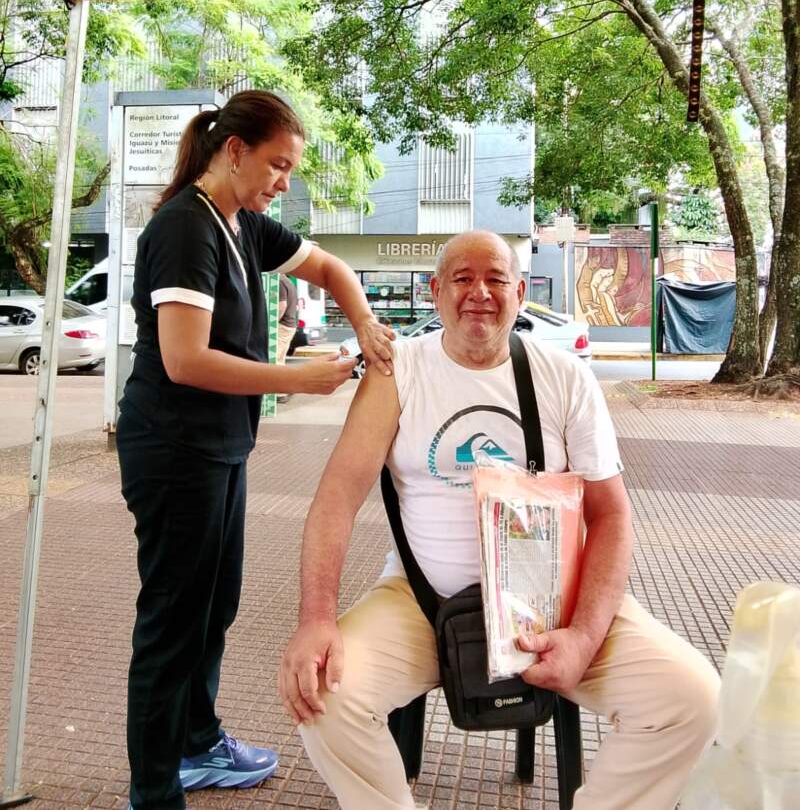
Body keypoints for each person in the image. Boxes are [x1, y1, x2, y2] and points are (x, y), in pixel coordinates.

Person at [280, 230, 720, 810]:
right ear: (435, 292)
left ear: (520, 292)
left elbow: (611, 515)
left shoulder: (565, 376)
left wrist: (584, 637)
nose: (479, 293)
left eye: (495, 279)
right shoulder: (399, 371)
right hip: (423, 602)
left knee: (694, 699)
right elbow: (336, 498)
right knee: (323, 693)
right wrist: (316, 618)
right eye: (462, 279)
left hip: (555, 605)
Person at [117, 90, 394, 810]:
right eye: (277, 164)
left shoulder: (243, 224)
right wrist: (297, 380)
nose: (284, 181)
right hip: (173, 450)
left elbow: (331, 268)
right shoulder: (186, 228)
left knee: (215, 605)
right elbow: (184, 359)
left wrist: (365, 323)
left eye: (290, 169)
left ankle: (197, 742)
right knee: (173, 620)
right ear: (234, 151)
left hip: (220, 448)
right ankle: (154, 791)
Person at [276, 273, 298, 401]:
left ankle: (282, 393)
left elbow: (282, 305)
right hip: (290, 324)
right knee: (280, 359)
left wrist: (272, 323)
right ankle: (286, 388)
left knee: (275, 359)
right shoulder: (289, 282)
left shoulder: (279, 281)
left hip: (282, 325)